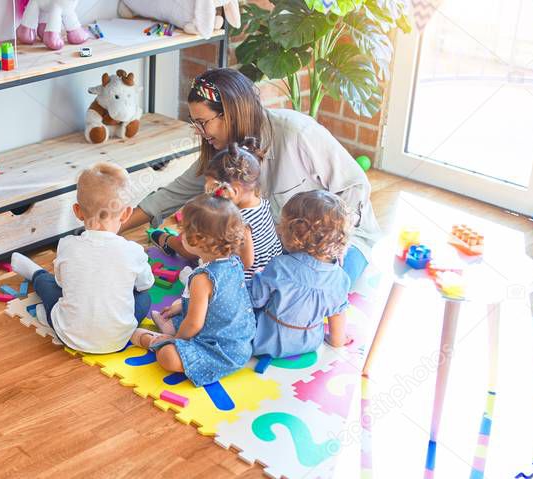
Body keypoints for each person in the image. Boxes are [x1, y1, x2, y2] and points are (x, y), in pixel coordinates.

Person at [125, 68, 380, 286]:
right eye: (195, 123)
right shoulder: (223, 154)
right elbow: (172, 194)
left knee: (315, 296)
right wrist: (107, 225)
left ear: (231, 113)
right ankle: (167, 241)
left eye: (203, 122)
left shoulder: (297, 133)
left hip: (338, 244)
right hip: (276, 255)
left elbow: (356, 186)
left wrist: (328, 246)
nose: (200, 132)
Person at [10, 162, 154, 354]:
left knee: (47, 283)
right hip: (118, 339)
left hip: (69, 334)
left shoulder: (67, 245)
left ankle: (34, 273)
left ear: (77, 211)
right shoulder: (134, 251)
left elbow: (61, 284)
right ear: (126, 213)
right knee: (144, 298)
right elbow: (145, 285)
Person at [132, 195, 255, 386]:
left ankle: (155, 340)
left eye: (182, 230)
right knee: (181, 310)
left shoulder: (202, 278)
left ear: (196, 239)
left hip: (220, 352)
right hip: (242, 344)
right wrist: (182, 306)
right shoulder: (235, 261)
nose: (179, 234)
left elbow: (194, 324)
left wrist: (176, 342)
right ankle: (170, 328)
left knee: (168, 356)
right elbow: (216, 301)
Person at [152, 138, 284, 280]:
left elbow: (247, 262)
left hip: (249, 282)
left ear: (234, 191)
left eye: (214, 190)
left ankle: (168, 241)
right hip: (271, 271)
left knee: (199, 250)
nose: (213, 197)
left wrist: (217, 269)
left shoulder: (240, 221)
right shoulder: (261, 202)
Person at [249, 190, 351, 358]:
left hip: (265, 340)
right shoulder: (341, 278)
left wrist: (259, 277)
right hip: (309, 342)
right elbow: (337, 316)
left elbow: (256, 299)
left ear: (293, 234)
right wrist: (337, 341)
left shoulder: (280, 265)